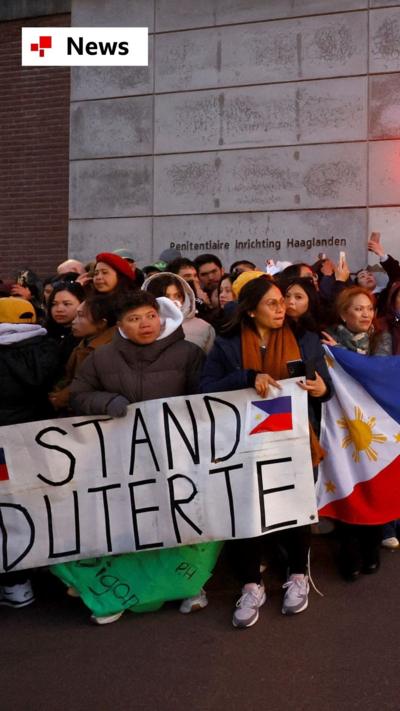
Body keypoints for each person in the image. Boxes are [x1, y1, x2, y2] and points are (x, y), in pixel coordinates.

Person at [67, 292, 211, 623]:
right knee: (130, 525)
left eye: (150, 315)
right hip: (123, 461)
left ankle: (189, 585)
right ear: (120, 325)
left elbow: (204, 398)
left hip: (177, 455)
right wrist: (106, 402)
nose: (144, 324)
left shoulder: (188, 353)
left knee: (180, 521)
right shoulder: (101, 358)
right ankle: (122, 591)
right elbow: (78, 395)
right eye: (134, 319)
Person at [201, 276, 332, 628]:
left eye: (283, 302)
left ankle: (297, 575)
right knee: (245, 511)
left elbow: (324, 389)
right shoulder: (227, 345)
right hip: (243, 444)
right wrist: (246, 377)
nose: (282, 308)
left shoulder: (304, 339)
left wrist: (320, 388)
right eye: (272, 303)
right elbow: (206, 388)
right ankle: (250, 584)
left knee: (296, 508)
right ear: (250, 309)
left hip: (294, 441)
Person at [322, 286, 392, 579]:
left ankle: (371, 547)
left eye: (370, 308)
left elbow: (380, 373)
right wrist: (333, 354)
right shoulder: (327, 341)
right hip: (340, 426)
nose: (366, 314)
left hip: (375, 425)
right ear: (342, 313)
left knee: (374, 486)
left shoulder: (381, 338)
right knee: (344, 481)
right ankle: (348, 547)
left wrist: (343, 357)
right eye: (358, 308)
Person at [0, 297, 60, 608]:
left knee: (6, 509)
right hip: (40, 442)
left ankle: (14, 582)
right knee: (38, 504)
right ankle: (46, 570)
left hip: (2, 449)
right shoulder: (51, 347)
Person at [48, 294, 118, 412]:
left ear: (102, 323)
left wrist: (62, 398)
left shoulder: (109, 350)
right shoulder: (83, 343)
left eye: (80, 316)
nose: (74, 322)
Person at [142, 272, 215, 353]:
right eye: (166, 296)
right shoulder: (142, 326)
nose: (173, 301)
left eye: (178, 296)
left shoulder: (204, 328)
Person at [46, 281, 85, 368]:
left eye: (66, 304)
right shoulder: (44, 333)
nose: (59, 309)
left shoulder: (84, 338)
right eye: (54, 304)